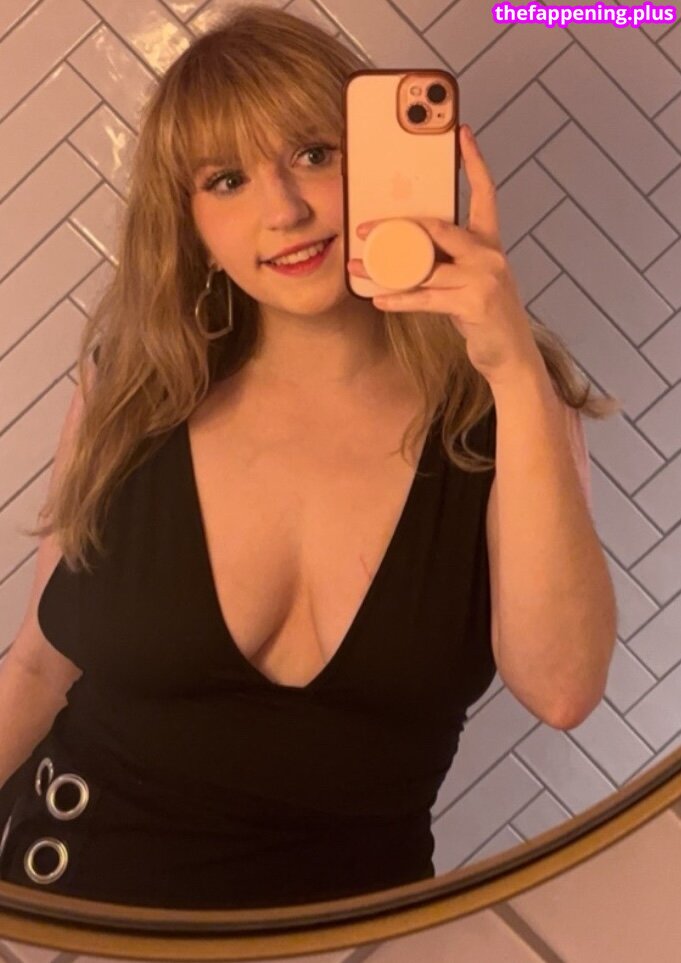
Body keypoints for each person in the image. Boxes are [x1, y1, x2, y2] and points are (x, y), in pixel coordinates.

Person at [0, 3, 618, 910]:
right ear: (192, 224)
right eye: (226, 180)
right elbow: (36, 668)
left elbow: (562, 689)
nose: (283, 211)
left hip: (353, 940)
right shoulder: (135, 390)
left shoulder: (507, 409)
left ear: (375, 163)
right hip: (71, 909)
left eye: (314, 155)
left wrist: (513, 368)